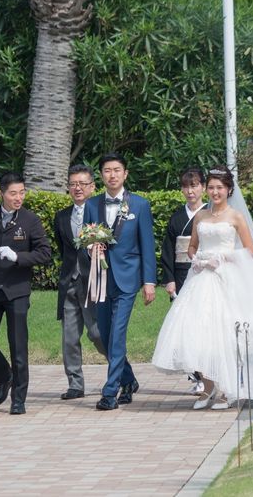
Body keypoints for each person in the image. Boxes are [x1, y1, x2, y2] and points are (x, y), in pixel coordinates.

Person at [152, 166, 253, 410]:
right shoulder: (201, 216)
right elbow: (192, 247)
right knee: (199, 333)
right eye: (211, 187)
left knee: (226, 336)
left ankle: (225, 390)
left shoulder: (236, 217)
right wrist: (197, 259)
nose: (215, 192)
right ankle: (208, 387)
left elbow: (250, 251)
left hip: (227, 278)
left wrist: (224, 258)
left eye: (219, 188)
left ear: (229, 190)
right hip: (201, 279)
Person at [0, 172, 51, 415]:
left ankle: (18, 399)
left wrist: (18, 257)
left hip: (17, 291)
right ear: (1, 193)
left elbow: (45, 253)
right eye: (13, 193)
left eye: (22, 192)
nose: (18, 198)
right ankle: (4, 377)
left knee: (18, 348)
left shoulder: (30, 220)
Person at [84, 152, 157, 410]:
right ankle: (129, 380)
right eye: (107, 170)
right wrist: (91, 249)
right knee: (104, 335)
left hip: (128, 278)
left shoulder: (139, 205)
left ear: (125, 174)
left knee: (117, 334)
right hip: (101, 279)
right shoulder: (92, 205)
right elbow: (85, 239)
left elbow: (147, 245)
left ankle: (109, 392)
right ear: (101, 175)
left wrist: (149, 281)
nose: (112, 175)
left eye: (117, 170)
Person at [54, 165, 106, 400]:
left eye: (83, 184)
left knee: (97, 333)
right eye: (73, 184)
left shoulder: (100, 213)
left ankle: (122, 373)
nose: (78, 188)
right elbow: (63, 248)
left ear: (92, 187)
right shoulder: (61, 216)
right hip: (69, 283)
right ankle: (75, 384)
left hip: (93, 282)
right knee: (69, 338)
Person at [161, 167, 208, 395]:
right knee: (184, 329)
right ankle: (195, 375)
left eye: (195, 186)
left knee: (203, 327)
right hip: (181, 275)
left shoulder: (210, 213)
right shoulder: (177, 217)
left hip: (204, 273)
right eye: (186, 187)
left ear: (203, 188)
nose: (190, 191)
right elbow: (167, 250)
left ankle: (208, 375)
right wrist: (169, 279)